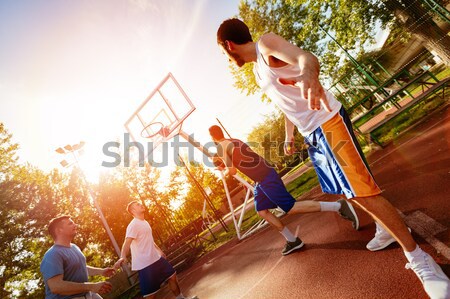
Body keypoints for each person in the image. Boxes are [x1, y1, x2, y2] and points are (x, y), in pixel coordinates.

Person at [216, 18, 450, 299]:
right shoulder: (257, 71)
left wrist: (310, 76)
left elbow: (306, 58)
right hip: (312, 132)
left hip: (327, 122)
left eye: (222, 52)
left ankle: (419, 259)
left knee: (361, 192)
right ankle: (384, 229)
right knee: (346, 193)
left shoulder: (267, 43)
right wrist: (291, 135)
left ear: (228, 45)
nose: (225, 57)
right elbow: (286, 104)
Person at [209, 125, 359, 256]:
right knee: (262, 211)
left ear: (212, 137)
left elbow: (233, 171)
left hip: (265, 177)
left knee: (290, 207)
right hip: (261, 179)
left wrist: (222, 168)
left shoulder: (220, 147)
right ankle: (292, 240)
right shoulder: (235, 140)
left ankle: (338, 206)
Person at [114, 200, 196, 299]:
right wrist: (122, 257)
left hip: (156, 259)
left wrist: (159, 250)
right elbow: (127, 242)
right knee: (150, 295)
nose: (141, 205)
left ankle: (180, 298)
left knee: (172, 276)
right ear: (133, 211)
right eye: (138, 205)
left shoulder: (144, 222)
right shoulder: (133, 225)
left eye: (140, 203)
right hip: (145, 265)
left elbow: (150, 240)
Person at [40, 215, 115, 299]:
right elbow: (56, 286)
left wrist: (101, 271)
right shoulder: (52, 254)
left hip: (87, 295)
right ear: (59, 230)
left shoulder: (74, 247)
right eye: (70, 224)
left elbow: (79, 267)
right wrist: (91, 286)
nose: (75, 225)